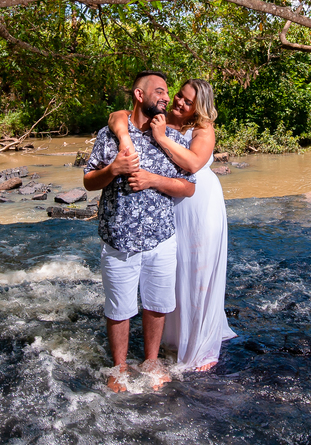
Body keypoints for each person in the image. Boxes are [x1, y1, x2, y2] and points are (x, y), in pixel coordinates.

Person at [109, 78, 236, 371]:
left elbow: (192, 163)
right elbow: (117, 116)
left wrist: (162, 138)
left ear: (199, 107)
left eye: (188, 102)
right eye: (179, 95)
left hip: (200, 205)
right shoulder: (159, 115)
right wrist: (125, 136)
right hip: (169, 204)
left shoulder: (203, 129)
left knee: (199, 270)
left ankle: (202, 346)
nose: (179, 102)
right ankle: (175, 338)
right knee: (173, 272)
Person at [83, 71, 196, 392]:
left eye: (167, 92)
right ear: (139, 94)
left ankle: (151, 360)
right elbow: (88, 181)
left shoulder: (172, 137)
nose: (166, 98)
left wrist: (153, 180)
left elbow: (188, 187)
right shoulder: (111, 135)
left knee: (157, 303)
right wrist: (113, 169)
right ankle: (119, 367)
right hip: (119, 238)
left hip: (161, 237)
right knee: (119, 308)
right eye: (159, 91)